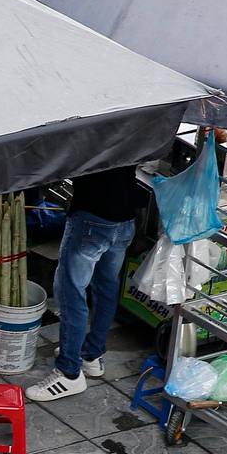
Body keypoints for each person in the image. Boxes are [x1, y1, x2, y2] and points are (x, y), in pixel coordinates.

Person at [26, 163, 147, 402]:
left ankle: (69, 372)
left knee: (71, 292)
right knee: (106, 286)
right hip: (125, 219)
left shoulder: (93, 129)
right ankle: (91, 356)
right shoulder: (130, 127)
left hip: (92, 218)